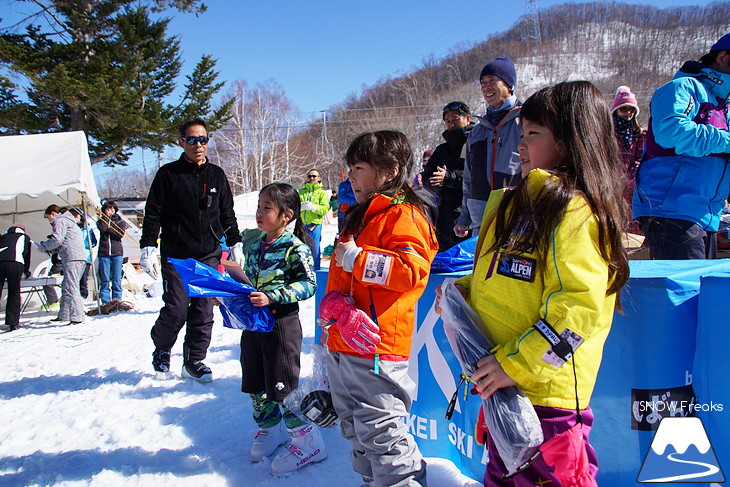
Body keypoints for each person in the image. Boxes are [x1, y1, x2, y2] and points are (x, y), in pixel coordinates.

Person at [435, 81, 629, 486]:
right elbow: (504, 279)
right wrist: (462, 294)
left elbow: (579, 309)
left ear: (572, 142)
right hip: (506, 390)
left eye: (533, 135)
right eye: (520, 135)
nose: (519, 146)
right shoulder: (522, 204)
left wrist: (516, 365)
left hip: (546, 401)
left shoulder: (574, 212)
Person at [324, 130, 438, 487]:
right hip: (344, 341)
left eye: (358, 167)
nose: (350, 177)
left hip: (376, 346)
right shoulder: (363, 215)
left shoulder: (404, 215)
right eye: (349, 168)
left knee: (382, 434)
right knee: (355, 429)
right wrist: (334, 305)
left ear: (389, 171)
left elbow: (411, 271)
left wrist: (358, 258)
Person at [140, 117, 243, 382]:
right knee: (175, 307)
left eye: (203, 139)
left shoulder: (216, 175)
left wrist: (235, 241)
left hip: (207, 252)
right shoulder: (168, 174)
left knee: (203, 309)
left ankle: (194, 360)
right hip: (176, 253)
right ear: (181, 142)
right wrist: (148, 245)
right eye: (192, 139)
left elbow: (226, 213)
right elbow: (153, 213)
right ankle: (162, 349)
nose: (198, 145)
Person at [239, 182, 322, 474]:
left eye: (267, 208)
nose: (259, 212)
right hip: (252, 323)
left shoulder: (293, 247)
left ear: (286, 215)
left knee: (282, 383)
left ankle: (307, 439)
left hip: (281, 324)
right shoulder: (253, 242)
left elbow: (308, 284)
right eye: (259, 206)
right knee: (255, 380)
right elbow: (247, 278)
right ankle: (270, 428)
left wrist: (273, 296)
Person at [633, 33, 730, 259]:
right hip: (671, 210)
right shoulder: (684, 87)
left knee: (702, 290)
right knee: (686, 291)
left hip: (707, 214)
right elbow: (671, 132)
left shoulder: (723, 107)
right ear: (724, 58)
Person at [455, 56, 522, 238]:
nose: (486, 87)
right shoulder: (477, 131)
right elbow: (469, 178)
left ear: (509, 85)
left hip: (517, 219)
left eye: (492, 80)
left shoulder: (525, 122)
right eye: (483, 82)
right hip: (481, 222)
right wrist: (465, 217)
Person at [423, 101, 475, 251]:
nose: (451, 123)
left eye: (455, 119)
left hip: (471, 215)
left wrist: (449, 177)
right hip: (444, 216)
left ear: (468, 118)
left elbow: (478, 176)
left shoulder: (477, 143)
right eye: (448, 121)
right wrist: (435, 182)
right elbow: (427, 178)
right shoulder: (441, 150)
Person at [39, 205, 87, 325]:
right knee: (66, 286)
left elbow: (57, 239)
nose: (48, 219)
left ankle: (77, 317)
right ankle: (64, 315)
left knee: (71, 287)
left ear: (52, 214)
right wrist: (54, 250)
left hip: (72, 258)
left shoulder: (60, 221)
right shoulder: (69, 221)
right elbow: (65, 242)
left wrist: (44, 246)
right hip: (76, 257)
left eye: (47, 216)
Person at [611, 86, 646, 234]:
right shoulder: (607, 135)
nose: (628, 113)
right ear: (616, 111)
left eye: (631, 110)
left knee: (633, 229)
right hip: (611, 188)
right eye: (624, 109)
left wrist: (629, 180)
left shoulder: (640, 135)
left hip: (633, 190)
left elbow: (641, 160)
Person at [0, 226, 32, 332]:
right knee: (14, 292)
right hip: (15, 263)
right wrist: (26, 271)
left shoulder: (3, 237)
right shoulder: (24, 237)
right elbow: (26, 255)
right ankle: (12, 323)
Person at [96, 200, 128, 303]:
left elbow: (119, 234)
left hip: (117, 253)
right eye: (108, 209)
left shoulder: (120, 221)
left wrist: (110, 229)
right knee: (105, 278)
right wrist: (107, 222)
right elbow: (102, 228)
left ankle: (117, 300)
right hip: (104, 253)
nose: (110, 211)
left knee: (116, 278)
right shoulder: (101, 221)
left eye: (112, 209)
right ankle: (105, 301)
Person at [298, 169, 330, 270]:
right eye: (309, 176)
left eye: (314, 176)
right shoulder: (301, 192)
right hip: (302, 225)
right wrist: (299, 207)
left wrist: (313, 207)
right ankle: (302, 271)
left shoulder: (322, 193)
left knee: (314, 250)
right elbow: (293, 206)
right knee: (300, 248)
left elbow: (325, 209)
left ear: (318, 178)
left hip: (314, 225)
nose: (311, 178)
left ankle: (315, 271)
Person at [68, 208, 97, 300]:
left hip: (85, 256)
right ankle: (75, 298)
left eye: (76, 216)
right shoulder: (70, 227)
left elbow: (93, 242)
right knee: (74, 279)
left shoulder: (87, 228)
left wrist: (83, 244)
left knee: (83, 279)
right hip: (74, 256)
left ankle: (83, 297)